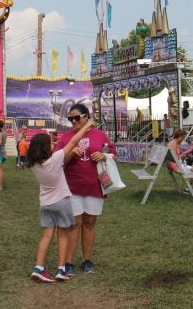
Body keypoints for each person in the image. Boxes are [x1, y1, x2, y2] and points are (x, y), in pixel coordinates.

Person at [27, 120, 95, 283]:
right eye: (51, 143)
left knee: (46, 236)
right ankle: (61, 269)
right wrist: (86, 127)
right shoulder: (56, 159)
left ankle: (39, 267)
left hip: (46, 204)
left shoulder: (34, 165)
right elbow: (73, 141)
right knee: (63, 235)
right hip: (62, 202)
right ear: (45, 147)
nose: (53, 145)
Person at [55, 103, 116, 275]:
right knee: (74, 224)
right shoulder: (66, 138)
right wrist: (69, 154)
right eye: (70, 118)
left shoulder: (100, 135)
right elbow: (57, 161)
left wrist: (105, 155)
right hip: (72, 187)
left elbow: (113, 153)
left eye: (76, 117)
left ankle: (87, 260)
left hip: (95, 186)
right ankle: (68, 262)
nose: (73, 121)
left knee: (89, 223)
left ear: (86, 116)